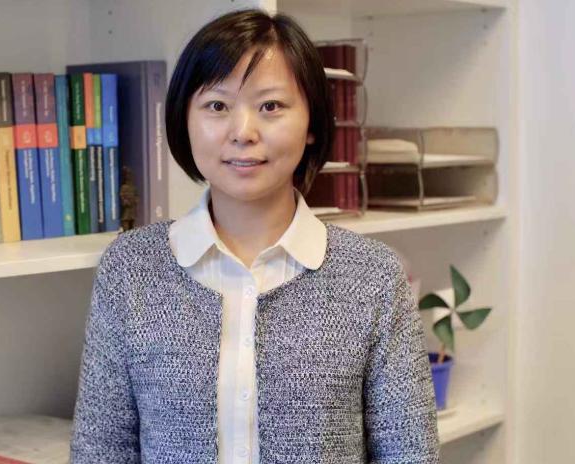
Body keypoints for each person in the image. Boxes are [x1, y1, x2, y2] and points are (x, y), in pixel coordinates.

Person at [70, 8, 439, 463]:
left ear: (312, 125)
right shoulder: (129, 269)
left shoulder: (374, 276)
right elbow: (99, 452)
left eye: (271, 106)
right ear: (185, 119)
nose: (243, 133)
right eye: (217, 106)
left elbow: (411, 454)